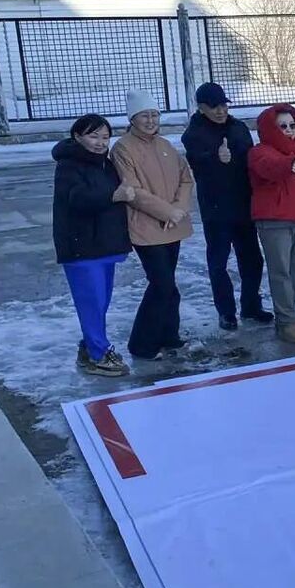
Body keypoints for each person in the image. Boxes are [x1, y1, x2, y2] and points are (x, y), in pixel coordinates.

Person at [181, 82, 272, 331]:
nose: (220, 111)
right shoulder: (194, 133)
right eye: (214, 107)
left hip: (243, 205)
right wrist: (215, 157)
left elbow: (251, 158)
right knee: (219, 263)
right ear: (201, 108)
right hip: (216, 210)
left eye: (223, 105)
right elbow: (196, 162)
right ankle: (226, 312)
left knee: (252, 260)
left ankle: (251, 306)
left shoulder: (238, 127)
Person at [112, 89, 194, 361]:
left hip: (173, 225)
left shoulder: (165, 146)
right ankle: (142, 344)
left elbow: (185, 178)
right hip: (147, 228)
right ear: (132, 119)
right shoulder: (123, 148)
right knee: (161, 284)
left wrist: (179, 208)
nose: (150, 120)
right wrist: (167, 211)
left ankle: (169, 336)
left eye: (154, 114)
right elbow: (132, 190)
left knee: (169, 286)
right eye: (144, 115)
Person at [52, 115, 133, 377]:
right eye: (93, 136)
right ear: (78, 137)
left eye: (105, 137)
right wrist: (113, 195)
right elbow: (77, 199)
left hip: (105, 245)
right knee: (91, 302)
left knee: (101, 302)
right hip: (82, 246)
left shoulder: (104, 163)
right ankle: (99, 354)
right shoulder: (69, 165)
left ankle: (89, 348)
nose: (100, 142)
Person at [249, 104, 295, 343]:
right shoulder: (260, 151)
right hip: (275, 221)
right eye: (283, 126)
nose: (289, 130)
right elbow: (269, 168)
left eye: (292, 125)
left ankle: (289, 312)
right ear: (270, 128)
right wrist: (288, 166)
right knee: (281, 273)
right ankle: (285, 321)